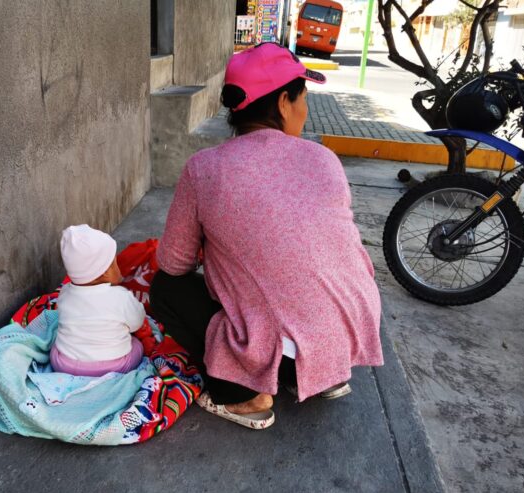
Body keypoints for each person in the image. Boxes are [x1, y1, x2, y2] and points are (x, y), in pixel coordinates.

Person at [149, 43, 383, 430]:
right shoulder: (324, 159)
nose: (305, 112)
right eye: (303, 99)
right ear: (282, 103)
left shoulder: (204, 169)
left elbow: (174, 263)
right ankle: (325, 375)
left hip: (281, 355)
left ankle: (245, 396)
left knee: (166, 290)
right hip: (344, 340)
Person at [51, 224, 146, 377]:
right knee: (137, 346)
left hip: (64, 365)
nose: (119, 267)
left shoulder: (64, 293)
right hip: (113, 366)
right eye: (115, 263)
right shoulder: (120, 297)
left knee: (55, 348)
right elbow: (137, 322)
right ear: (105, 273)